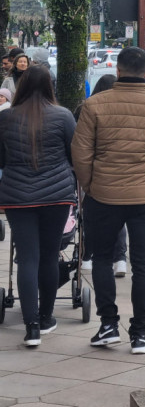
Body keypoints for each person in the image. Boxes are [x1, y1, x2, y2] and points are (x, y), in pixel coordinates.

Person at [72, 47, 145, 354]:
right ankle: (140, 334)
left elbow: (80, 153)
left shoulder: (93, 105)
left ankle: (108, 325)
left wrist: (90, 185)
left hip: (103, 195)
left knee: (101, 259)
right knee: (142, 265)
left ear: (119, 71)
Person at [0, 65, 77, 347]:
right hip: (56, 196)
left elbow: (2, 159)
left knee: (27, 258)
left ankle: (30, 326)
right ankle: (46, 318)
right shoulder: (63, 116)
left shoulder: (6, 118)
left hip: (17, 197)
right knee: (49, 256)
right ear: (50, 86)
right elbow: (75, 154)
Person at [74, 74, 129, 277]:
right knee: (119, 218)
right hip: (120, 170)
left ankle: (87, 256)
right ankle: (120, 259)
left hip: (93, 171)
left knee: (90, 216)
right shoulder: (123, 110)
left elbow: (78, 143)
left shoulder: (85, 109)